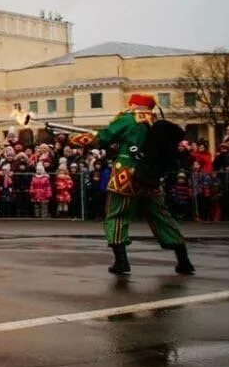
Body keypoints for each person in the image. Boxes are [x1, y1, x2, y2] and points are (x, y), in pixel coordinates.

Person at [68, 93, 194, 275]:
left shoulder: (130, 119)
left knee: (117, 216)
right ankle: (184, 261)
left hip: (126, 176)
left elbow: (104, 137)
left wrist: (73, 138)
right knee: (161, 217)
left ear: (135, 104)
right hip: (150, 176)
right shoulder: (155, 122)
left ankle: (121, 261)